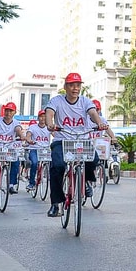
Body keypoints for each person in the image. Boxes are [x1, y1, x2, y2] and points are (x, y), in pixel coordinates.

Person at [44, 72, 107, 217]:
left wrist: (99, 123)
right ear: (65, 87)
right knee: (58, 166)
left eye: (78, 85)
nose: (75, 88)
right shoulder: (56, 100)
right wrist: (50, 124)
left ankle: (86, 181)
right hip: (61, 140)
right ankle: (56, 203)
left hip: (81, 140)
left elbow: (93, 113)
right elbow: (49, 113)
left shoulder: (85, 101)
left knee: (94, 159)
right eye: (72, 85)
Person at [0, 102, 27, 194]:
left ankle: (11, 185)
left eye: (11, 111)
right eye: (7, 110)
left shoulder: (16, 123)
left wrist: (22, 136)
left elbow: (18, 129)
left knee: (16, 163)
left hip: (9, 147)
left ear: (14, 112)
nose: (8, 113)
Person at [25, 111, 51, 192]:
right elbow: (28, 136)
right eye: (41, 116)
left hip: (45, 150)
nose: (43, 118)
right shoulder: (33, 127)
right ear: (38, 118)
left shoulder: (49, 127)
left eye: (44, 116)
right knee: (34, 163)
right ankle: (31, 183)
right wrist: (29, 140)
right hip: (34, 149)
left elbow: (55, 134)